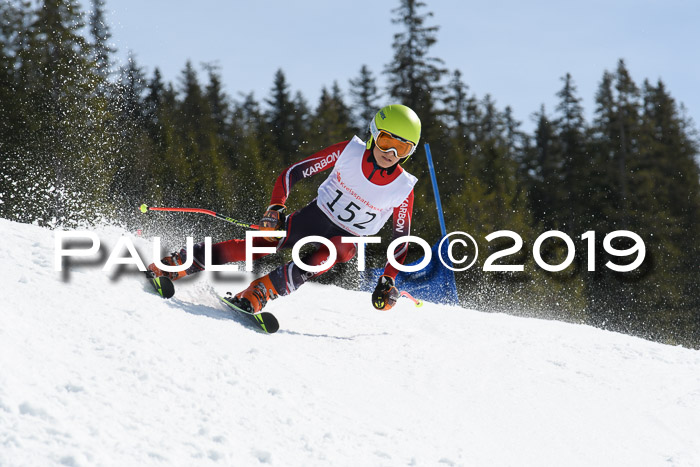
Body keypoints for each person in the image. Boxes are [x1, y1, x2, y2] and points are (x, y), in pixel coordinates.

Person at [147, 104, 421, 313]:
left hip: (347, 239)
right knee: (261, 243)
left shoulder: (403, 188)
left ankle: (260, 292)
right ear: (374, 134)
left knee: (329, 254)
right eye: (387, 142)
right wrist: (275, 208)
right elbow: (293, 173)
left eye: (402, 148)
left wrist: (388, 279)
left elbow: (401, 241)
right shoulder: (347, 152)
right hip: (314, 217)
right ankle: (179, 263)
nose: (391, 154)